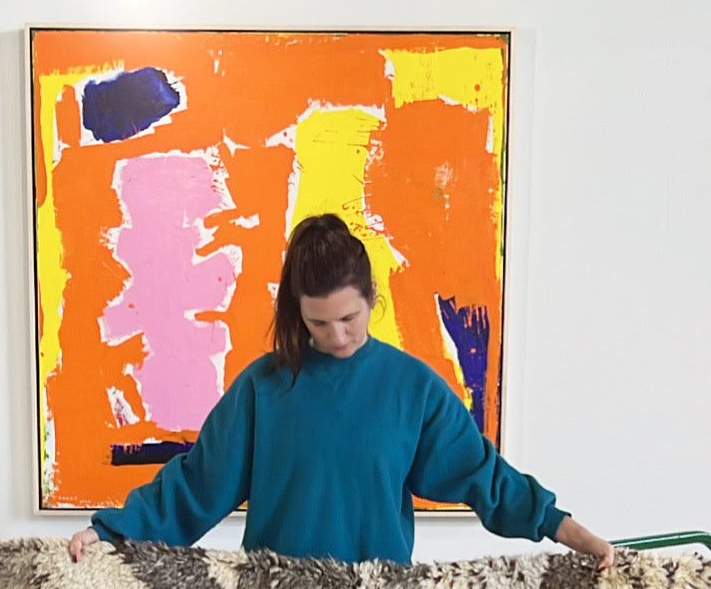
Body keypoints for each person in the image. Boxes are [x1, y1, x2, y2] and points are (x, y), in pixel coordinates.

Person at [69, 214, 614, 569]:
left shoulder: (413, 389)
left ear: (372, 296)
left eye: (349, 318)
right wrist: (112, 532)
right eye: (318, 322)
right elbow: (195, 485)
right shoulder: (262, 389)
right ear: (297, 313)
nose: (337, 336)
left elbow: (484, 477)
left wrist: (563, 528)